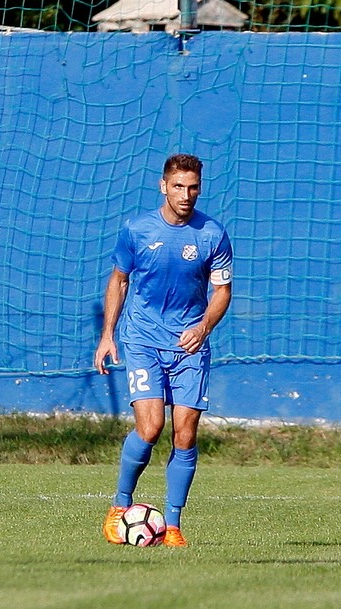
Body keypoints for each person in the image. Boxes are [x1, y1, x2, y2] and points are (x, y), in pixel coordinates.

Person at [94, 153, 233, 548]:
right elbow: (119, 280)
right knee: (151, 427)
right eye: (178, 186)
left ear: (200, 189)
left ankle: (172, 525)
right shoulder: (137, 230)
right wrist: (108, 335)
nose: (185, 195)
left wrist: (203, 327)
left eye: (193, 188)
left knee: (185, 434)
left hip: (189, 345)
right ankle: (120, 506)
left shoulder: (212, 234)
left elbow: (222, 291)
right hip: (142, 340)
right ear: (163, 186)